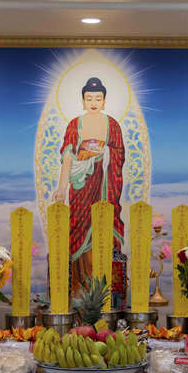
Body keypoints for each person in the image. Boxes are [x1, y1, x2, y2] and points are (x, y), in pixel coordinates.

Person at [52, 77, 125, 292]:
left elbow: (119, 154)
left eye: (98, 98)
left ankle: (104, 287)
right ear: (83, 101)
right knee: (79, 230)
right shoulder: (75, 124)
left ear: (104, 101)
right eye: (89, 98)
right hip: (81, 185)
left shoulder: (112, 125)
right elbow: (67, 157)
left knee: (103, 228)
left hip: (104, 186)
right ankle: (79, 286)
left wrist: (106, 152)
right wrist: (61, 187)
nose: (94, 102)